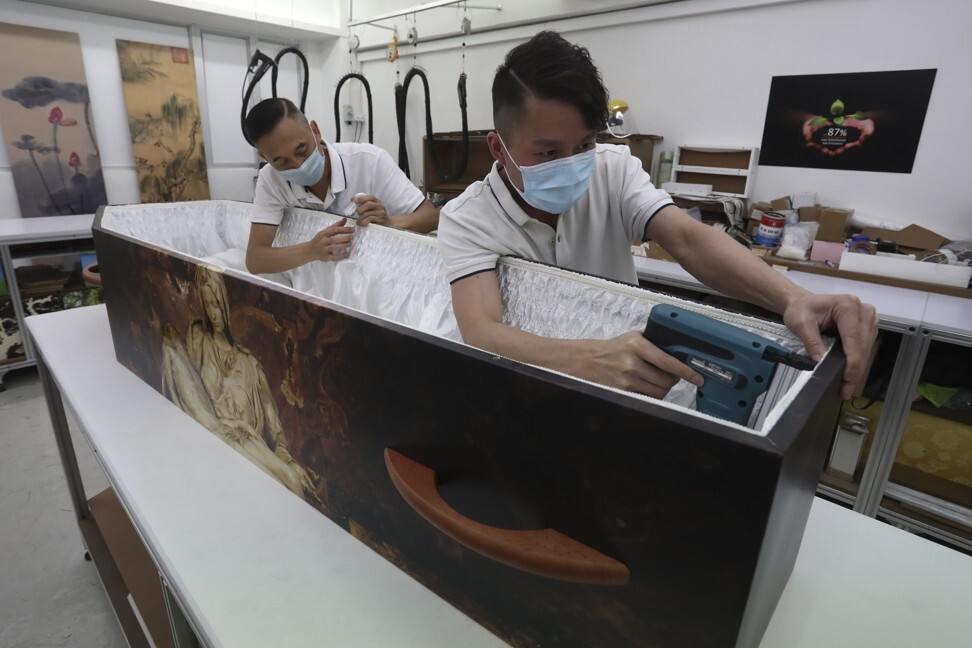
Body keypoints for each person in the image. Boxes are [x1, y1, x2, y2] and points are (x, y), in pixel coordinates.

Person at [438, 31, 878, 401]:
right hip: (527, 382)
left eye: (584, 145)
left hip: (625, 383)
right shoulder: (467, 218)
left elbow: (687, 239)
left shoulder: (613, 169)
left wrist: (791, 298)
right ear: (498, 147)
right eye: (549, 152)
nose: (571, 164)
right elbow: (482, 330)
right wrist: (590, 358)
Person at [243, 98, 439, 275]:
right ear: (264, 157)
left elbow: (431, 217)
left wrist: (390, 224)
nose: (299, 165)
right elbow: (256, 260)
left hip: (384, 273)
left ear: (315, 131)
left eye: (302, 150)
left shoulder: (368, 161)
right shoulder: (270, 180)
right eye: (281, 162)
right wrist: (310, 250)